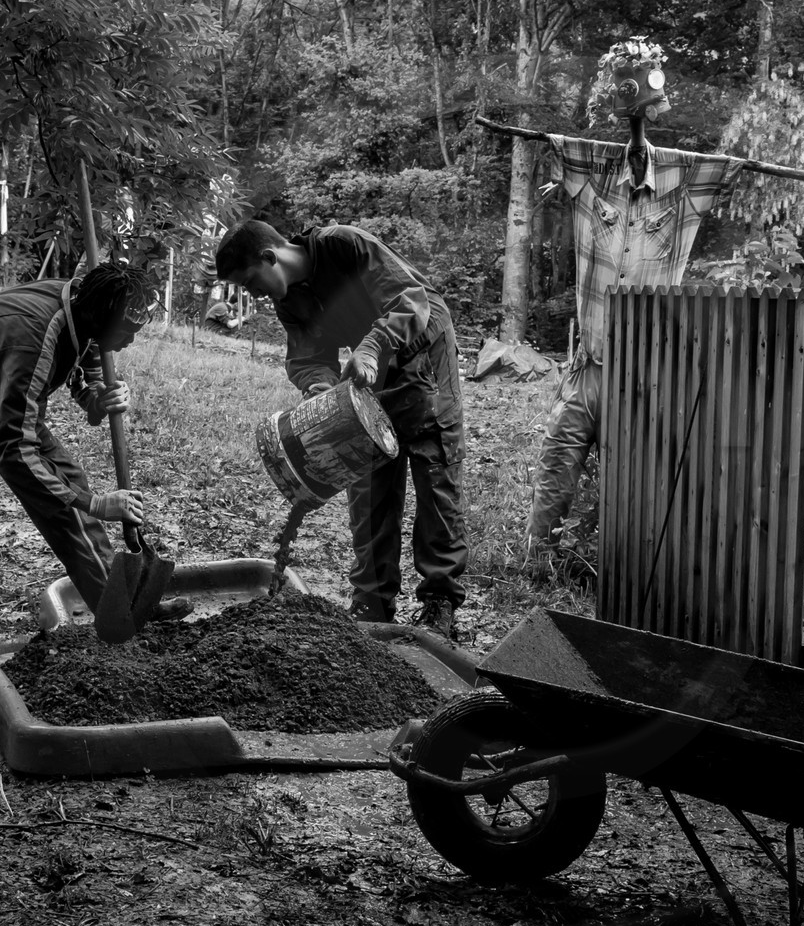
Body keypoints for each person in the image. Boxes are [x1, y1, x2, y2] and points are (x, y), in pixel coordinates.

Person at [0, 263, 188, 720]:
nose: (131, 342)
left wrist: (98, 398)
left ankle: (122, 612)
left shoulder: (86, 313)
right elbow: (14, 446)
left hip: (2, 388)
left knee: (66, 486)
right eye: (126, 331)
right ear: (98, 317)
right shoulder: (33, 333)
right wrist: (94, 503)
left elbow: (83, 371)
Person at [518, 43, 747, 549]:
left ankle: (621, 559)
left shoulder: (681, 195)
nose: (640, 156)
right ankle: (538, 556)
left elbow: (730, 167)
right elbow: (556, 147)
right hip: (590, 365)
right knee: (560, 453)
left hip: (642, 373)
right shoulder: (594, 184)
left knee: (635, 474)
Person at [213, 218, 466, 639]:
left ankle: (439, 602)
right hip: (371, 370)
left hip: (423, 347)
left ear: (269, 256)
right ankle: (372, 601)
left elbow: (411, 299)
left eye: (250, 281)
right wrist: (319, 388)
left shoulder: (342, 245)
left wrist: (373, 346)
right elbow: (309, 359)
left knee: (433, 470)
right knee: (366, 476)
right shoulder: (289, 301)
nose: (251, 294)